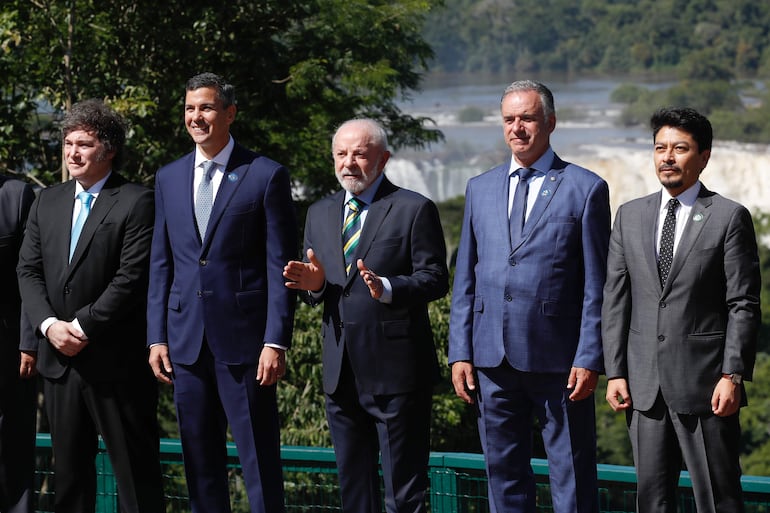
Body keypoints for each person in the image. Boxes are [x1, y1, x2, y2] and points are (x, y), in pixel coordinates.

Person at [448, 80, 610, 513]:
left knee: (572, 475)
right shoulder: (479, 187)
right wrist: (460, 351)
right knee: (502, 476)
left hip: (561, 362)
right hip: (491, 359)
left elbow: (597, 285)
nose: (517, 128)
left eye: (527, 118)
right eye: (509, 119)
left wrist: (589, 356)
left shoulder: (586, 188)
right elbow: (465, 278)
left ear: (550, 123)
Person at [147, 72, 297, 513]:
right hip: (185, 345)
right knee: (200, 467)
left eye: (207, 108)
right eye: (190, 108)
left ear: (229, 114)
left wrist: (275, 340)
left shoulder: (265, 174)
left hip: (246, 346)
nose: (196, 117)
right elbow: (162, 264)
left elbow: (279, 266)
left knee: (260, 465)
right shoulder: (168, 177)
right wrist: (156, 337)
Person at [283, 118, 448, 513]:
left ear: (383, 159)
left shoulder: (413, 208)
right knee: (355, 492)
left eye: (359, 154)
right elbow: (318, 289)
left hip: (396, 375)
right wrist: (314, 286)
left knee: (403, 495)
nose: (348, 163)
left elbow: (435, 279)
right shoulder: (319, 213)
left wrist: (387, 287)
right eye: (341, 154)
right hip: (340, 375)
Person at [602, 107, 761, 513]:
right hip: (644, 388)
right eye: (660, 148)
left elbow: (742, 303)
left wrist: (732, 374)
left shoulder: (728, 217)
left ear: (704, 156)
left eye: (680, 148)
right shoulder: (629, 215)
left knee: (718, 500)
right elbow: (616, 299)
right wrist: (615, 372)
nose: (667, 157)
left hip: (707, 387)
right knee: (652, 502)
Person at [16, 100, 163, 513]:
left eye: (84, 144)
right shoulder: (47, 201)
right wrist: (49, 326)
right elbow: (27, 270)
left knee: (136, 481)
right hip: (60, 365)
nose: (73, 153)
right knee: (70, 484)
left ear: (109, 149)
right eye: (68, 143)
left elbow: (131, 278)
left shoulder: (137, 201)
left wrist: (81, 327)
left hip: (116, 366)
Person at [0, 174, 36, 513]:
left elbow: (30, 274)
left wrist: (29, 342)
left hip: (9, 351)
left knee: (13, 446)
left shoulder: (15, 194)